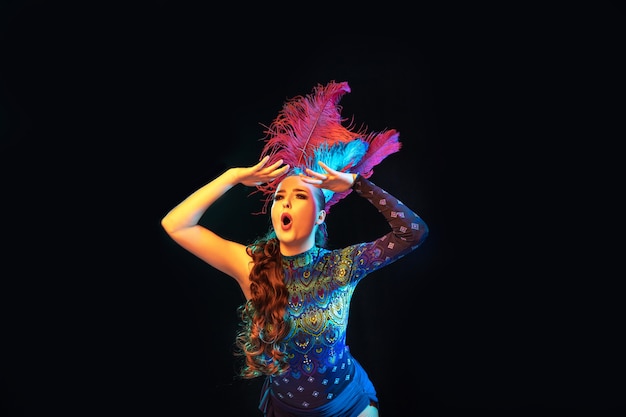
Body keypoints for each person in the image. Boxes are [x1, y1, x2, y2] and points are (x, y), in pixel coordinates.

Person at [161, 81, 429, 416]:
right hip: (287, 408)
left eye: (299, 196)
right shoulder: (250, 265)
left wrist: (360, 184)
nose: (285, 202)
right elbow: (176, 224)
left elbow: (413, 233)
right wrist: (230, 177)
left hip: (349, 403)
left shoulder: (343, 265)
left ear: (319, 216)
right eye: (279, 197)